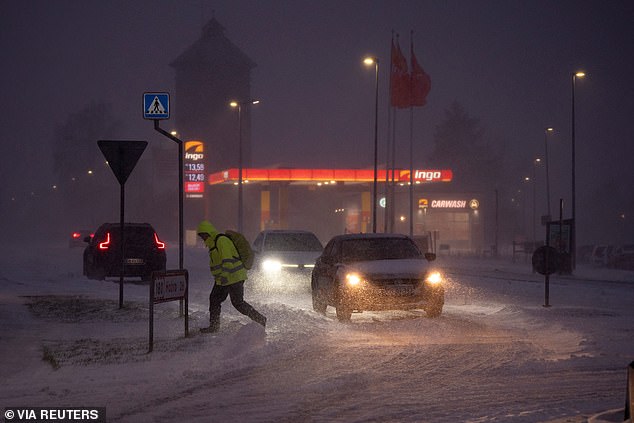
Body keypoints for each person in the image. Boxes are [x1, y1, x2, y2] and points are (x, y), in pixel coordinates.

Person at [197, 220, 266, 333]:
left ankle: (261, 319)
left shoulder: (221, 241)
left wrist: (223, 276)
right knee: (214, 299)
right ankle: (214, 326)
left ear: (209, 233)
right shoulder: (213, 243)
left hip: (233, 277)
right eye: (201, 236)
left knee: (237, 303)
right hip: (224, 279)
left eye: (204, 235)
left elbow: (228, 260)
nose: (203, 238)